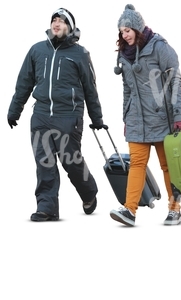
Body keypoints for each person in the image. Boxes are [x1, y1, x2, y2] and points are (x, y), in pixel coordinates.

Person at [7, 8, 106, 221]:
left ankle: (89, 192)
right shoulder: (37, 50)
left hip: (69, 117)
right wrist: (14, 110)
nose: (56, 23)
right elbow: (24, 83)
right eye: (54, 20)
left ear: (69, 27)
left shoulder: (80, 54)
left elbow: (90, 88)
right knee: (45, 163)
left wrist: (97, 119)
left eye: (61, 21)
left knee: (71, 161)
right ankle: (46, 207)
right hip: (41, 115)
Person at [109, 4, 181, 226]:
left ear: (137, 28)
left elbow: (176, 81)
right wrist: (126, 117)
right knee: (136, 163)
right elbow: (127, 90)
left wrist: (180, 115)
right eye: (121, 32)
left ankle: (174, 209)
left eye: (128, 30)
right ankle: (129, 210)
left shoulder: (159, 47)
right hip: (136, 119)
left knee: (168, 166)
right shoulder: (123, 55)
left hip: (163, 117)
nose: (124, 35)